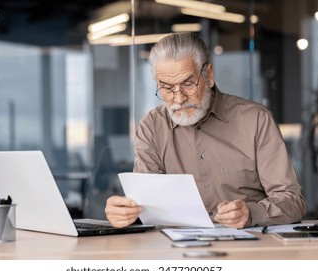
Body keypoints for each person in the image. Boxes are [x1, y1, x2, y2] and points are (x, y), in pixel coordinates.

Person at [105, 32, 306, 229]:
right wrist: (125, 213)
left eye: (188, 84)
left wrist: (251, 213)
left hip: (247, 246)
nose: (179, 98)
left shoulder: (255, 119)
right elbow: (146, 205)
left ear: (208, 75)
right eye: (166, 88)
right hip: (174, 251)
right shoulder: (151, 127)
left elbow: (292, 201)